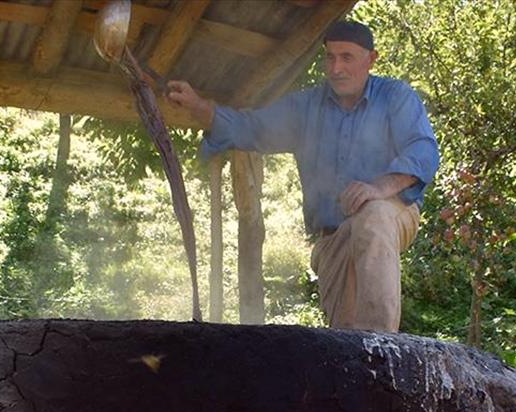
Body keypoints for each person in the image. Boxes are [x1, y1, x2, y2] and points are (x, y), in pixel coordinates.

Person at [166, 20, 439, 333]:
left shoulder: (396, 96)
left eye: (347, 57)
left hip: (392, 212)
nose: (336, 67)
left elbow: (424, 151)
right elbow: (252, 128)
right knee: (345, 339)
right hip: (333, 237)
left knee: (373, 216)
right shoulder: (306, 107)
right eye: (330, 57)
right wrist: (199, 106)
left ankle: (384, 345)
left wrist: (380, 187)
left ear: (371, 59)